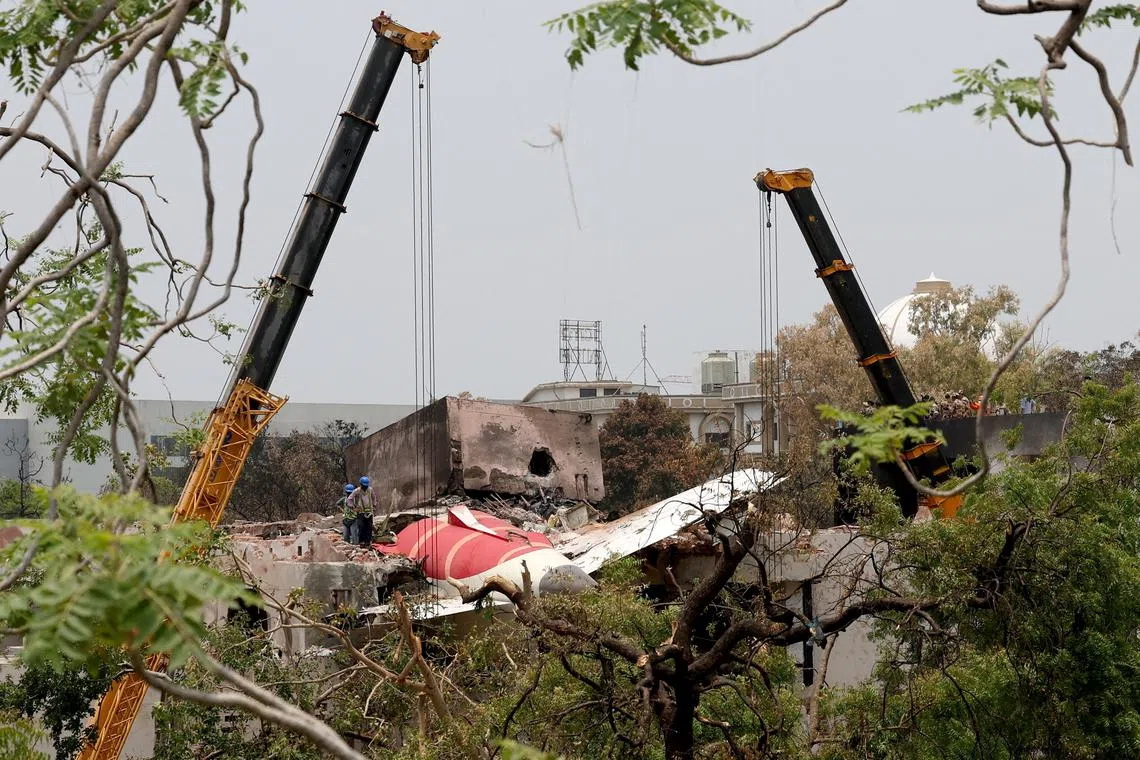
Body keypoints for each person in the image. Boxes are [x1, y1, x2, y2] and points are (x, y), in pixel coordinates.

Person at [351, 475, 376, 547]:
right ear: (361, 484)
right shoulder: (357, 491)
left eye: (366, 486)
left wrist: (374, 506)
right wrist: (352, 506)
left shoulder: (370, 490)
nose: (365, 487)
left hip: (369, 511)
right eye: (363, 486)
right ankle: (361, 541)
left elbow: (374, 498)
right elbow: (350, 498)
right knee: (361, 526)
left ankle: (368, 541)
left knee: (369, 526)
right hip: (361, 512)